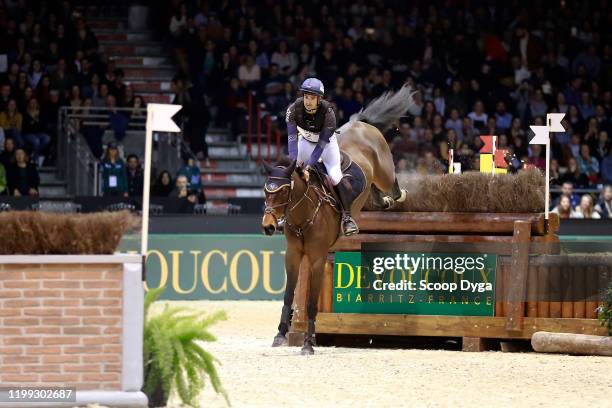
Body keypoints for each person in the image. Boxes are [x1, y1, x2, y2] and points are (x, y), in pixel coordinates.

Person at [285, 77, 358, 235]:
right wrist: (293, 162)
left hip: (325, 145)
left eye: (312, 97)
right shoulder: (292, 110)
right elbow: (291, 139)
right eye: (306, 96)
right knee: (289, 173)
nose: (308, 101)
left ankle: (347, 218)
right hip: (304, 141)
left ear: (319, 99)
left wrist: (309, 166)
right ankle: (282, 215)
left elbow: (320, 147)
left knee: (335, 176)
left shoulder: (328, 113)